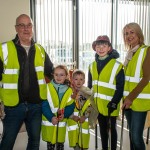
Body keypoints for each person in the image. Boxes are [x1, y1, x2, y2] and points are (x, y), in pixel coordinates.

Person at [0, 14, 53, 150]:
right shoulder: (4, 49)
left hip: (35, 105)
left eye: (29, 25)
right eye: (21, 25)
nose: (26, 28)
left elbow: (50, 72)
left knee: (35, 141)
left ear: (33, 28)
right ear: (16, 28)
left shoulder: (40, 50)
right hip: (12, 106)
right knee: (7, 142)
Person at [88, 35, 125, 150]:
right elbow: (90, 86)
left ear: (109, 48)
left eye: (104, 45)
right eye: (98, 46)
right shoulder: (91, 66)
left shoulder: (117, 66)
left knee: (112, 130)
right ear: (95, 48)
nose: (101, 48)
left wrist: (114, 102)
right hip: (98, 105)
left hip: (111, 105)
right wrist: (91, 102)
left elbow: (120, 87)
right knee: (102, 131)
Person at [122, 22, 150, 150]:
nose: (128, 36)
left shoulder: (147, 50)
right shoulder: (129, 54)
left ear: (139, 33)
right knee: (132, 134)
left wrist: (130, 98)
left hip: (138, 101)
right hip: (128, 101)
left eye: (132, 32)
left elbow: (146, 77)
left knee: (136, 137)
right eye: (126, 33)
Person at [41, 65, 75, 150]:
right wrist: (51, 117)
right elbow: (44, 105)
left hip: (61, 123)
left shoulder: (69, 90)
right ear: (53, 75)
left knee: (60, 145)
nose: (58, 77)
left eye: (61, 75)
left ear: (66, 76)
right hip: (50, 122)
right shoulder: (47, 88)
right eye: (56, 74)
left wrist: (65, 114)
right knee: (50, 146)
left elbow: (71, 106)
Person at [67, 69, 94, 150]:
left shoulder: (87, 92)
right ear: (72, 80)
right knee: (76, 145)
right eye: (76, 79)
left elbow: (91, 106)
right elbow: (65, 106)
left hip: (83, 121)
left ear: (84, 81)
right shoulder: (69, 92)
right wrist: (72, 116)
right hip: (73, 121)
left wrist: (85, 116)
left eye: (81, 79)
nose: (78, 81)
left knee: (83, 143)